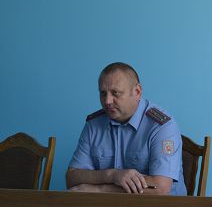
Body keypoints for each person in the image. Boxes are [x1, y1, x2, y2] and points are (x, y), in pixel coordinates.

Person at [66, 62, 186, 195]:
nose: (107, 101)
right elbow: (72, 178)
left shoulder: (161, 126)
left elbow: (161, 189)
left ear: (137, 92)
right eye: (103, 93)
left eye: (115, 93)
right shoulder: (94, 124)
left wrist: (100, 190)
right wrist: (112, 175)